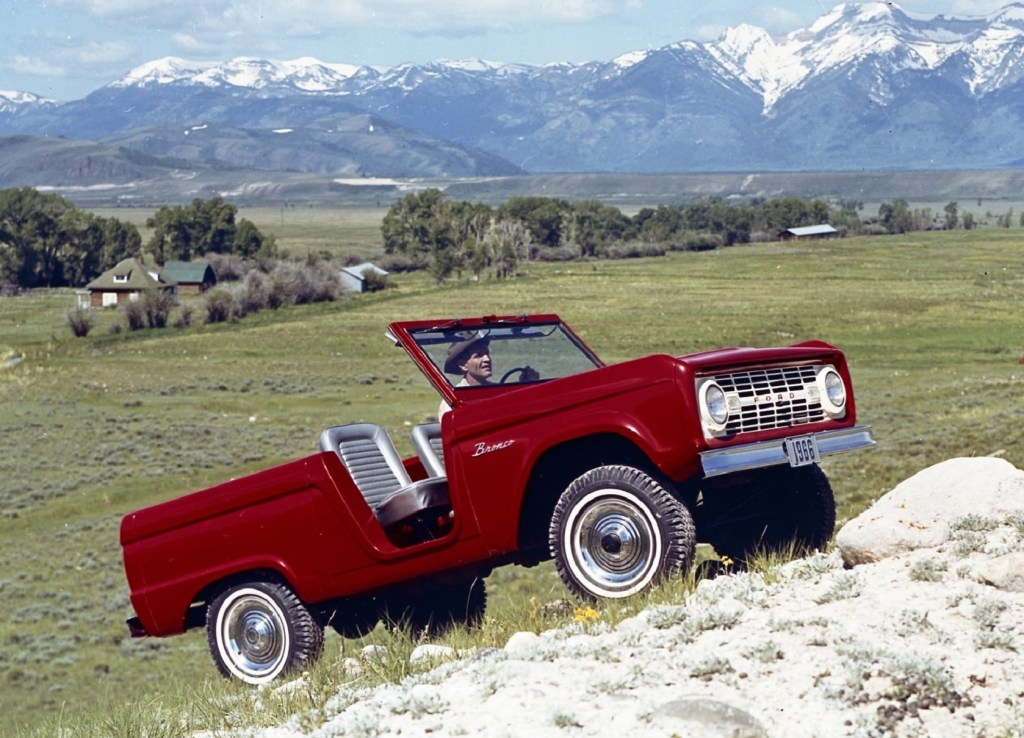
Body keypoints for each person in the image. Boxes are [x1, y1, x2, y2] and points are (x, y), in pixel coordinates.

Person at [437, 334, 538, 417]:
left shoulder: (496, 390)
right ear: (463, 365)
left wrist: (528, 386)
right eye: (479, 356)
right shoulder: (453, 400)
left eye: (487, 354)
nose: (487, 359)